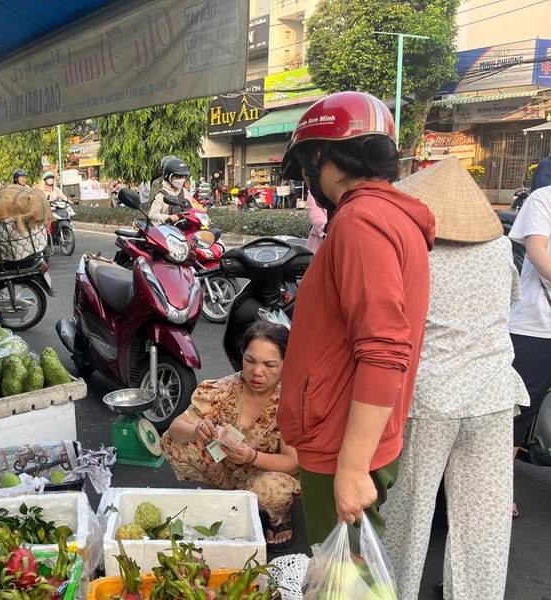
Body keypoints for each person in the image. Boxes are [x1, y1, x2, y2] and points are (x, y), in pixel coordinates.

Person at [275, 91, 436, 544]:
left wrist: (349, 467)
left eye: (309, 162)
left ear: (326, 157)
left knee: (346, 581)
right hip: (351, 435)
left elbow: (384, 350)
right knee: (349, 576)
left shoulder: (360, 220)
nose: (308, 176)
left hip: (342, 441)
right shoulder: (390, 216)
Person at [381, 157, 528, 600]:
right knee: (484, 521)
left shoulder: (409, 250)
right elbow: (511, 300)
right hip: (493, 393)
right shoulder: (500, 248)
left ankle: (392, 592)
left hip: (429, 397)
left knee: (406, 516)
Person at [161, 321, 300, 552]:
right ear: (242, 355)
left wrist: (251, 457)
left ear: (286, 364)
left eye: (270, 365)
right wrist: (196, 430)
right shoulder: (222, 389)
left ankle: (279, 515)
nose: (257, 371)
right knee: (174, 441)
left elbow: (293, 462)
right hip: (225, 471)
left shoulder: (289, 402)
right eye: (250, 360)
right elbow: (175, 429)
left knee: (274, 490)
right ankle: (225, 496)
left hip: (265, 473)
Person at [509, 163, 551, 471]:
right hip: (536, 325)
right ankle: (498, 487)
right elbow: (537, 252)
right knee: (518, 410)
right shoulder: (543, 199)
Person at [149, 157, 193, 226]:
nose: (181, 179)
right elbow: (152, 214)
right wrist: (168, 217)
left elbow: (192, 210)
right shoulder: (161, 194)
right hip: (167, 231)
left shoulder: (185, 192)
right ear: (168, 176)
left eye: (183, 177)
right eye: (177, 177)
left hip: (185, 229)